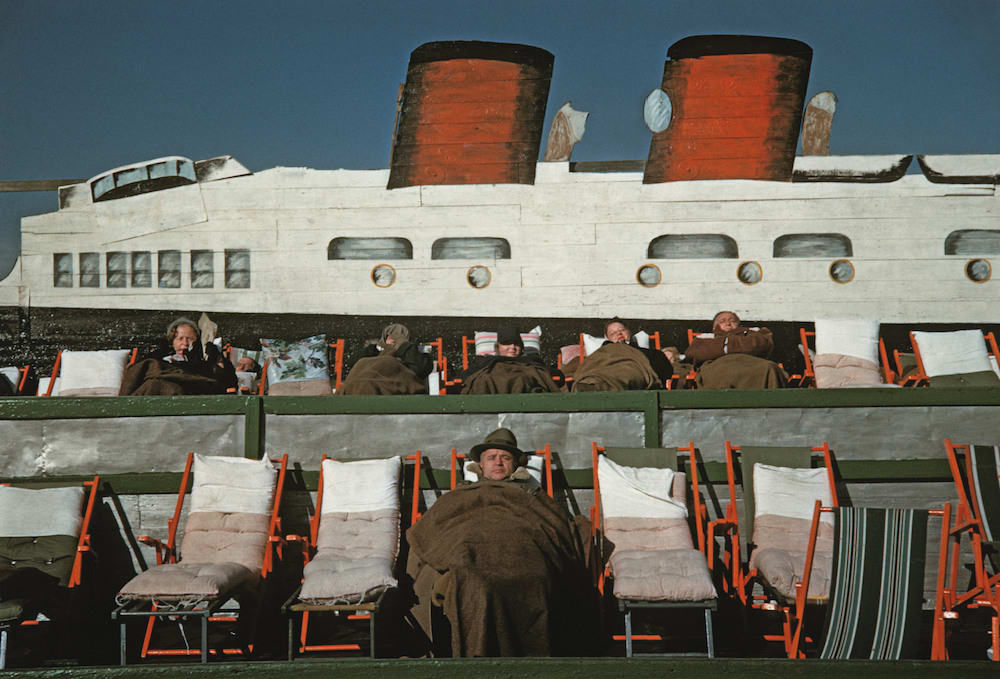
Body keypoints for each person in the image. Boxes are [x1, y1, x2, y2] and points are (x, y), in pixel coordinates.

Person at [405, 428, 598, 657]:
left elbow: (555, 523)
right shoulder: (461, 495)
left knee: (537, 579)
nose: (498, 462)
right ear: (480, 465)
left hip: (524, 554)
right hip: (469, 553)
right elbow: (433, 524)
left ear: (515, 465)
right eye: (491, 457)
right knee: (472, 581)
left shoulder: (532, 496)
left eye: (505, 457)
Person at [119, 317, 237, 395]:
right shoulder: (159, 357)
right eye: (180, 338)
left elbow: (224, 380)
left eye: (190, 339)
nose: (185, 343)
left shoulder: (203, 361)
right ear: (172, 341)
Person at [685, 311, 788, 389]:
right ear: (715, 327)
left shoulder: (753, 333)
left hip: (751, 363)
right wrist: (738, 345)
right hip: (718, 366)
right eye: (722, 321)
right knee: (719, 373)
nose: (728, 323)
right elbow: (693, 354)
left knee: (769, 367)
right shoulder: (705, 337)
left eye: (732, 321)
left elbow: (762, 345)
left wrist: (724, 346)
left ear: (739, 325)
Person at [571, 319, 673, 391]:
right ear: (608, 338)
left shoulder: (650, 353)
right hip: (603, 375)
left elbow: (664, 370)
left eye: (622, 330)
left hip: (631, 376)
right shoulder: (602, 352)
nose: (619, 333)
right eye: (612, 333)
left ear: (629, 332)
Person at [337, 323, 433, 395]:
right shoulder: (372, 352)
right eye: (391, 336)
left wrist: (404, 346)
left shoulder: (413, 355)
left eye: (399, 337)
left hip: (383, 387)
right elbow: (355, 365)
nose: (393, 340)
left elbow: (419, 370)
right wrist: (376, 348)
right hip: (363, 385)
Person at [460, 326, 560, 394]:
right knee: (483, 380)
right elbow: (466, 376)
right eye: (507, 343)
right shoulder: (485, 361)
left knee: (522, 379)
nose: (512, 347)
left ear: (521, 348)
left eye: (516, 344)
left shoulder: (531, 361)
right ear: (498, 347)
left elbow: (550, 373)